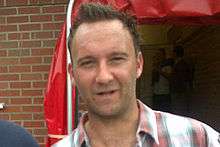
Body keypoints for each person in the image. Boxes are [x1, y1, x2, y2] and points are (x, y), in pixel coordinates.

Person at [53, 2, 219, 147]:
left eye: (116, 59)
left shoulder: (197, 139)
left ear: (138, 64)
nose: (104, 77)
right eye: (88, 63)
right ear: (72, 74)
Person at [171, 45, 194, 116]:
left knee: (179, 110)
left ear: (175, 53)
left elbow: (181, 78)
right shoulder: (179, 63)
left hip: (180, 91)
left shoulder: (181, 64)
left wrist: (180, 90)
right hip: (180, 91)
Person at [151, 48, 173, 112]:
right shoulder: (156, 64)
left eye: (159, 54)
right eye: (157, 54)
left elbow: (170, 77)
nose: (158, 56)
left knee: (165, 111)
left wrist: (159, 70)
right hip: (156, 93)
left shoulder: (167, 65)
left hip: (164, 93)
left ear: (163, 55)